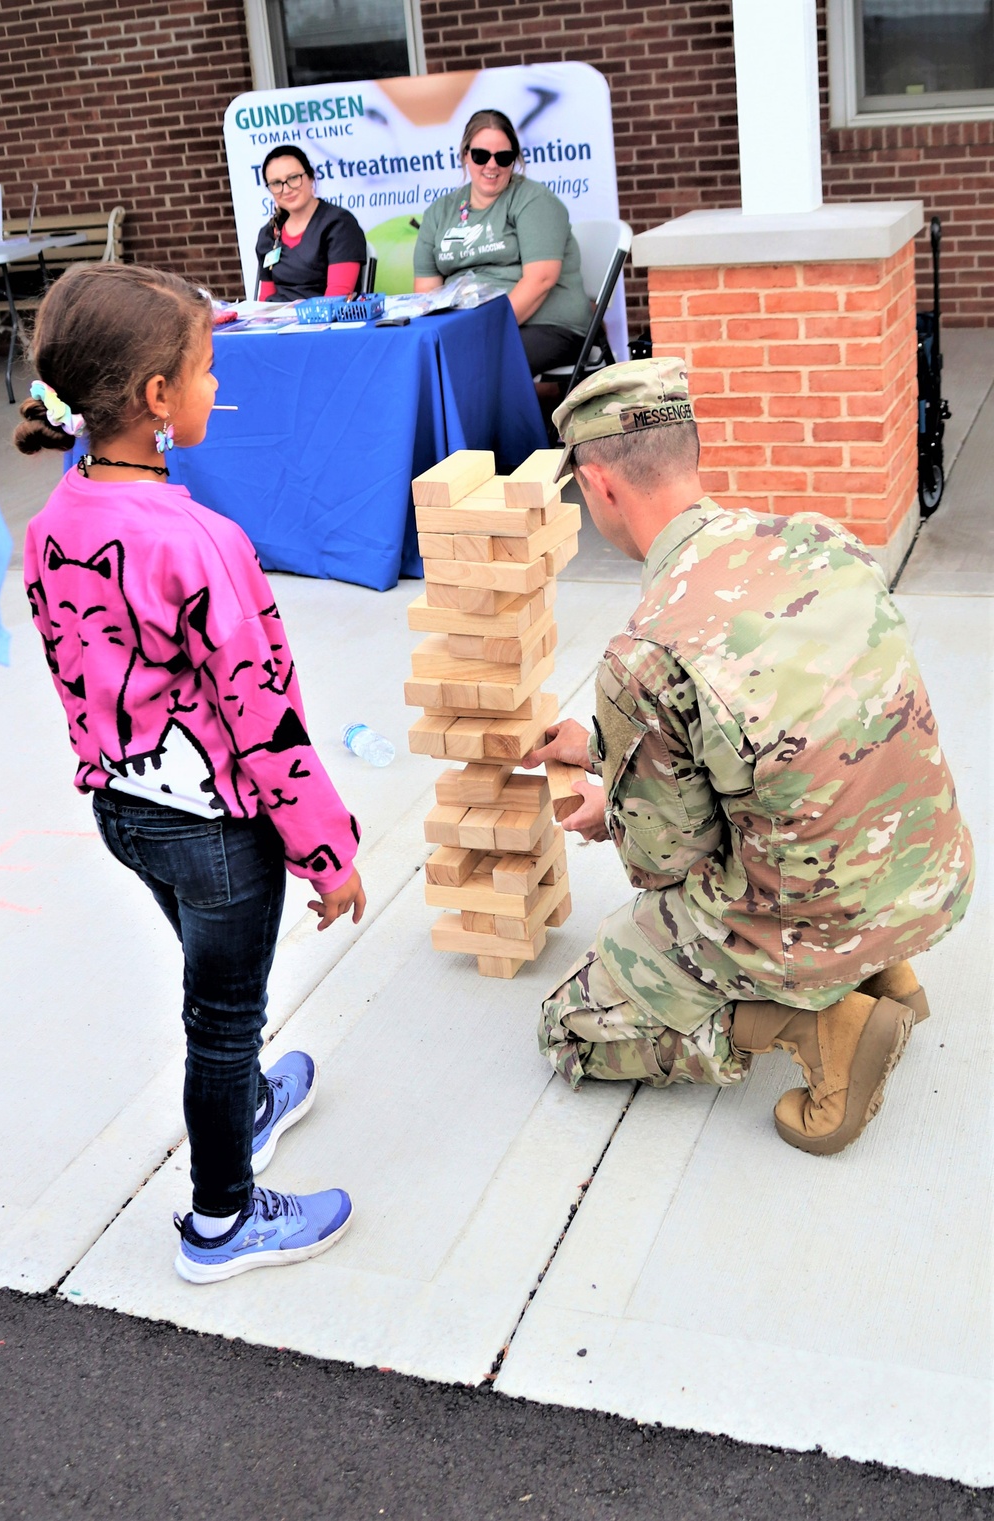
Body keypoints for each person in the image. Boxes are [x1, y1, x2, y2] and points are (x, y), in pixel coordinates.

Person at [525, 359, 973, 1156]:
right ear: (690, 453)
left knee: (568, 1027)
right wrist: (604, 751)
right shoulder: (821, 540)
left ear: (599, 487)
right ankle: (882, 970)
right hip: (927, 877)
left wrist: (611, 814)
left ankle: (822, 1019)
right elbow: (801, 734)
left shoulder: (645, 648)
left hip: (813, 918)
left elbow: (666, 867)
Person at [16, 263, 366, 1281]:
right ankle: (223, 1217)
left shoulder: (55, 520)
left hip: (127, 815)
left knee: (217, 990)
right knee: (222, 1022)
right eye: (209, 370)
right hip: (217, 831)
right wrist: (327, 851)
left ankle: (249, 1104)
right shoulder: (203, 542)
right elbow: (264, 717)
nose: (221, 388)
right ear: (157, 399)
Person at [413, 109, 589, 378]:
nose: (491, 165)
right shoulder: (440, 211)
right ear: (465, 155)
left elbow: (540, 280)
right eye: (481, 155)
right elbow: (427, 292)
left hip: (546, 325)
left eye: (503, 157)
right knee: (421, 361)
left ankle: (509, 422)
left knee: (471, 361)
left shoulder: (533, 201)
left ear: (515, 160)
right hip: (468, 326)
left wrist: (483, 331)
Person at [255, 146, 367, 302]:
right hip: (278, 322)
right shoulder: (269, 234)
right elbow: (265, 302)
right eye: (276, 183)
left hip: (323, 321)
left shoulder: (340, 225)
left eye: (293, 178)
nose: (286, 189)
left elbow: (336, 299)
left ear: (311, 177)